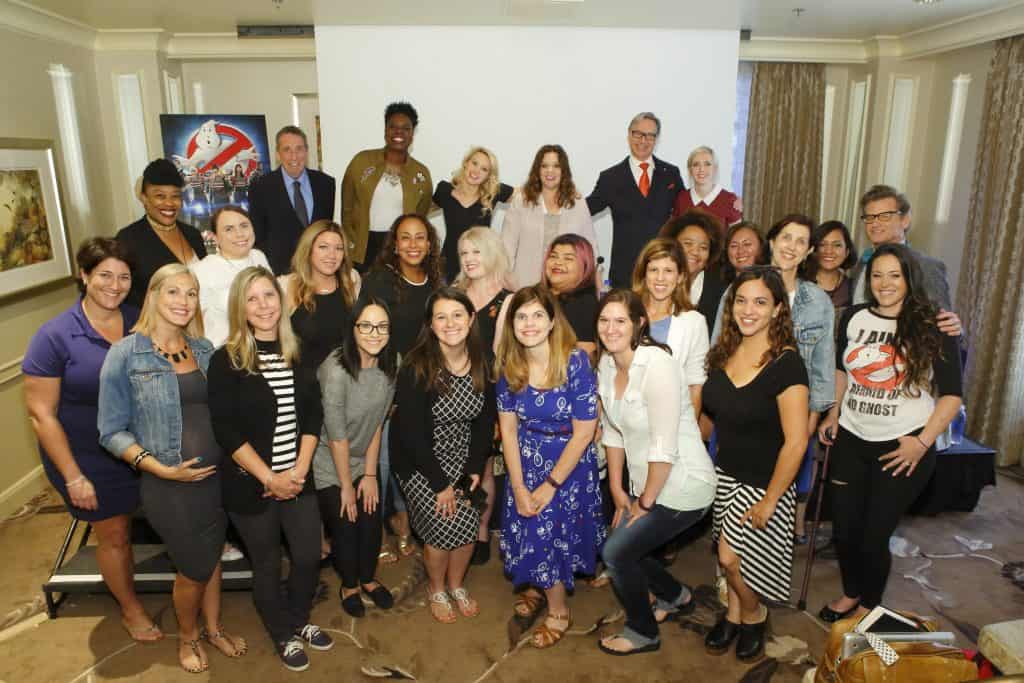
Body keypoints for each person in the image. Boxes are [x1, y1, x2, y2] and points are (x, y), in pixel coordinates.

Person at [98, 264, 245, 674]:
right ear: (154, 296)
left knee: (212, 556)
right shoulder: (126, 354)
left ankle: (214, 629)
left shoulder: (203, 350)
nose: (184, 302)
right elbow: (110, 431)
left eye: (192, 294)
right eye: (174, 293)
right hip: (170, 488)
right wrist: (161, 469)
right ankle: (188, 636)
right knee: (194, 567)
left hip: (216, 480)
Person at [817, 244, 963, 623]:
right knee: (845, 531)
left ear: (909, 278)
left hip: (903, 444)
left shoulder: (934, 323)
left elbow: (951, 395)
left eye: (894, 275)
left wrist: (922, 442)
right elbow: (841, 371)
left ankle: (868, 605)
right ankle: (851, 592)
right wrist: (833, 412)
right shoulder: (853, 316)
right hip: (851, 437)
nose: (884, 283)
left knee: (873, 534)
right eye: (877, 275)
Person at [23, 239, 159, 642]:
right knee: (114, 535)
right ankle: (130, 609)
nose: (114, 285)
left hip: (141, 447)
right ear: (83, 276)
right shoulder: (55, 336)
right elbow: (41, 414)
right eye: (104, 275)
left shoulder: (142, 321)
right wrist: (73, 476)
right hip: (88, 456)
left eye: (123, 277)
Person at [207, 267, 332, 673]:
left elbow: (313, 416)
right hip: (251, 485)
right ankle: (282, 633)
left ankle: (298, 620)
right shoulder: (225, 361)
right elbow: (226, 430)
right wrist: (269, 478)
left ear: (282, 301)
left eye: (270, 296)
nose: (264, 306)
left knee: (309, 555)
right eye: (253, 298)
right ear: (240, 308)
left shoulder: (299, 352)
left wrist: (297, 471)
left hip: (297, 477)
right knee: (267, 563)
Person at [595, 290, 717, 656]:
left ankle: (642, 631)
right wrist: (618, 489)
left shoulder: (657, 364)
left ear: (638, 324)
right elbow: (613, 430)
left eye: (620, 321)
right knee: (629, 545)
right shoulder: (606, 363)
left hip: (683, 485)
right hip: (645, 483)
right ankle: (676, 595)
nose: (611, 328)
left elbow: (664, 445)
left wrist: (643, 504)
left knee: (616, 553)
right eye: (604, 320)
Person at [701, 267, 809, 662]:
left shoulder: (786, 365)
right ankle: (733, 615)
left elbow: (797, 442)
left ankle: (754, 614)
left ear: (778, 309)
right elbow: (712, 416)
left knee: (731, 559)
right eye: (741, 301)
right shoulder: (723, 352)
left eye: (760, 302)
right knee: (731, 563)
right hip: (725, 475)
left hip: (764, 483)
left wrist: (770, 500)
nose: (749, 310)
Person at [495, 286, 605, 649]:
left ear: (553, 320)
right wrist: (519, 484)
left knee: (549, 537)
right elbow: (508, 431)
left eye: (537, 315)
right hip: (524, 459)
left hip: (568, 465)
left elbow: (585, 431)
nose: (529, 324)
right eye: (521, 316)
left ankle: (558, 610)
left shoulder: (575, 362)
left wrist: (550, 484)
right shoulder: (508, 365)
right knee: (529, 530)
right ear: (511, 324)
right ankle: (539, 588)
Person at [391, 288, 497, 623]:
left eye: (457, 315)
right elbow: (412, 434)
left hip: (464, 454)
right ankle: (436, 587)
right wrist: (441, 485)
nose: (450, 323)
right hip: (420, 460)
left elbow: (483, 423)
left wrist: (473, 471)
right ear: (431, 325)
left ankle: (456, 584)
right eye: (441, 316)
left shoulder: (482, 361)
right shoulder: (417, 366)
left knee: (469, 517)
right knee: (442, 520)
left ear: (471, 319)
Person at [360, 213, 445, 560]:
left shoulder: (436, 280)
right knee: (380, 461)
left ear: (430, 243)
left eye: (420, 237)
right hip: (386, 382)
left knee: (411, 454)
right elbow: (368, 333)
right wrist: (388, 387)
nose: (413, 245)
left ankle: (404, 519)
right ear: (394, 244)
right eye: (405, 238)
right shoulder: (380, 280)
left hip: (424, 383)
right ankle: (378, 531)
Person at [313, 297, 398, 617]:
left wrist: (371, 475)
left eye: (382, 326)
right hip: (329, 459)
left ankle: (367, 579)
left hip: (364, 456)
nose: (374, 333)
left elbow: (377, 423)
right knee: (347, 522)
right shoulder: (335, 371)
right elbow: (336, 437)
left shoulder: (392, 364)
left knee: (371, 520)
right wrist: (347, 485)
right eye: (366, 325)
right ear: (353, 328)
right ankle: (349, 585)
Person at [453, 226, 516, 564]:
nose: (469, 259)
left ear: (491, 253)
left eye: (476, 251)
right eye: (464, 253)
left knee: (485, 468)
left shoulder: (507, 300)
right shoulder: (454, 292)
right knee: (454, 465)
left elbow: (500, 358)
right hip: (451, 390)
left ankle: (480, 533)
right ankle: (455, 527)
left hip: (487, 393)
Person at [586, 112, 685, 288]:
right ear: (629, 135)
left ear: (656, 139)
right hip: (625, 274)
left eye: (650, 135)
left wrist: (729, 202)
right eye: (638, 133)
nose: (643, 140)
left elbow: (686, 210)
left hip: (663, 272)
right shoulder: (611, 177)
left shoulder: (670, 173)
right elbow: (584, 210)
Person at [342, 102, 433, 270]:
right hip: (364, 247)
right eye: (393, 127)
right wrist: (352, 243)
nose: (399, 132)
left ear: (412, 134)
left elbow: (421, 215)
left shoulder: (421, 174)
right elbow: (347, 208)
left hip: (401, 248)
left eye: (406, 128)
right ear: (385, 130)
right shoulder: (361, 162)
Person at [630, 238, 709, 418]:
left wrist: (687, 435)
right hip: (622, 422)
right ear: (643, 274)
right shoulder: (626, 313)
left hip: (671, 422)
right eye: (653, 270)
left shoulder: (693, 322)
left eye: (668, 271)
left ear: (680, 276)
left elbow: (695, 385)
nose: (660, 278)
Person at [502, 144, 597, 288]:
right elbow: (506, 248)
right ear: (537, 170)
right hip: (525, 287)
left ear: (563, 171)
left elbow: (591, 249)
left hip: (567, 289)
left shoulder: (577, 204)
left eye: (556, 166)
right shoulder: (521, 201)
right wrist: (507, 284)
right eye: (544, 166)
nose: (550, 171)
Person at [116, 158, 207, 308]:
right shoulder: (128, 239)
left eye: (175, 196)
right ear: (144, 198)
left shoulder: (193, 234)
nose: (169, 203)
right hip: (153, 328)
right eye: (160, 196)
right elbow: (123, 297)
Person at [250, 125, 336, 275]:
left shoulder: (325, 184)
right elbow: (259, 236)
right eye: (287, 150)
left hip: (320, 271)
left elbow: (326, 229)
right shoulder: (261, 187)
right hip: (281, 273)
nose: (294, 156)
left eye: (299, 149)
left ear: (306, 151)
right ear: (278, 154)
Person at [279, 221, 361, 374]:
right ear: (308, 249)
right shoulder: (287, 286)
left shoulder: (352, 281)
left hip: (346, 382)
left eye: (339, 248)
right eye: (323, 247)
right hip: (304, 385)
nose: (332, 255)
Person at [192, 205, 272, 347]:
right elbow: (192, 322)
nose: (240, 234)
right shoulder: (202, 270)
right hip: (224, 352)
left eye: (244, 226)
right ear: (214, 237)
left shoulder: (258, 256)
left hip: (262, 348)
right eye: (229, 229)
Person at [434, 147, 514, 282]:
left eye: (484, 169)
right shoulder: (444, 190)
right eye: (474, 163)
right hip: (447, 269)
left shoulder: (493, 193)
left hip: (480, 269)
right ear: (466, 163)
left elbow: (527, 194)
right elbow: (422, 211)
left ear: (489, 175)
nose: (476, 171)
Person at [659, 210, 728, 336]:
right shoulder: (657, 282)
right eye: (688, 244)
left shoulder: (720, 291)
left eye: (703, 248)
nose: (695, 252)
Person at [541, 234, 600, 357]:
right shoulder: (534, 295)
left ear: (585, 265)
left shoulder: (586, 304)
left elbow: (584, 357)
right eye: (553, 256)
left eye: (568, 258)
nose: (558, 262)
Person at [671, 146, 742, 233]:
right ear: (690, 170)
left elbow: (736, 238)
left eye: (707, 164)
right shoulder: (681, 198)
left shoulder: (730, 200)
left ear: (715, 168)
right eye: (696, 165)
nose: (701, 169)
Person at [806, 220, 857, 314]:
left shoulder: (854, 289)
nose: (829, 251)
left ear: (847, 252)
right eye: (822, 244)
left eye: (837, 245)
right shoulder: (800, 284)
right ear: (814, 249)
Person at [721, 221, 769, 286]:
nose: (740, 251)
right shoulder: (718, 285)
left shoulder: (769, 286)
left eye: (747, 244)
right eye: (734, 246)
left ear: (761, 247)